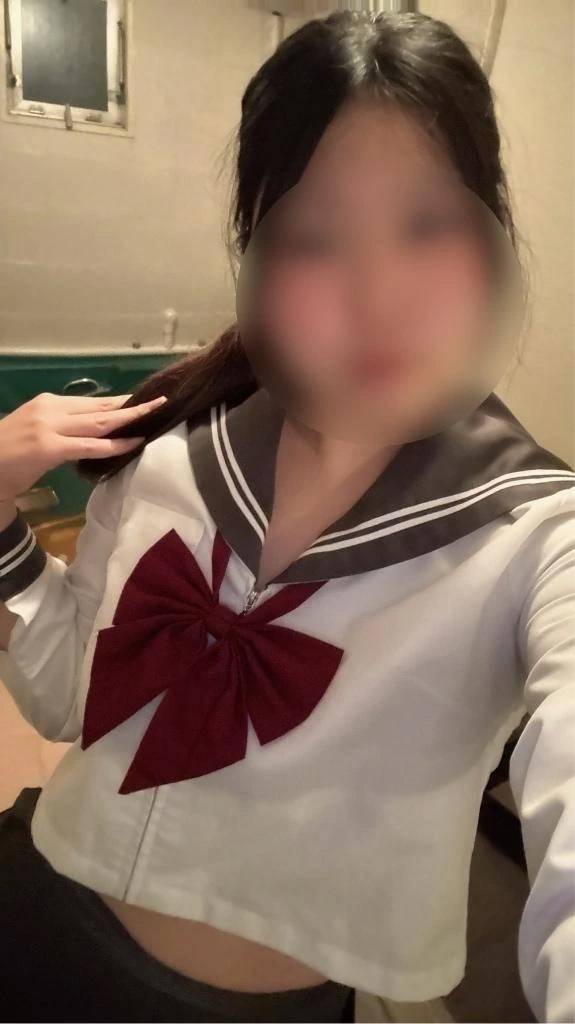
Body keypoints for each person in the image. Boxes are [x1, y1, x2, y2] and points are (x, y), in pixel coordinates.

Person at [0, 9, 574, 1023]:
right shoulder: (167, 457)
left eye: (425, 225)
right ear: (256, 255)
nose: (376, 294)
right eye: (316, 237)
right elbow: (66, 702)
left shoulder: (534, 537)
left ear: (487, 247)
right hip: (37, 912)